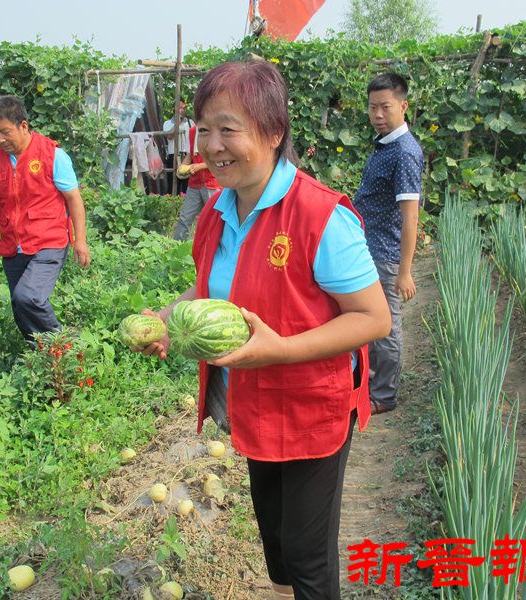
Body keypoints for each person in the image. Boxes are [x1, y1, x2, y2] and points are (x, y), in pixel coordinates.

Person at [134, 61, 391, 600]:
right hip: (255, 399)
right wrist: (167, 319)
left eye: (229, 128)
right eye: (204, 128)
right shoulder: (217, 212)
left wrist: (280, 349)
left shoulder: (321, 217)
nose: (212, 144)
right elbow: (209, 289)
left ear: (274, 133)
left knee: (307, 552)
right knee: (274, 538)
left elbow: (373, 318)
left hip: (310, 405)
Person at [0, 95, 90, 342]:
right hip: (12, 244)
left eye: (5, 132)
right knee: (21, 309)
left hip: (49, 242)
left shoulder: (52, 155)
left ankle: (63, 350)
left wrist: (80, 241)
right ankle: (41, 363)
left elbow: (73, 199)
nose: (0, 140)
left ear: (23, 125)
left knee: (29, 298)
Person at [352, 73, 424, 416]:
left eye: (385, 107)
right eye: (372, 107)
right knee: (369, 319)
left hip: (386, 254)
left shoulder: (405, 153)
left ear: (403, 106)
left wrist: (405, 271)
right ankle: (370, 385)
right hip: (369, 248)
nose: (378, 115)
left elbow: (410, 215)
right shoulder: (385, 144)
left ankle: (384, 394)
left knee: (386, 324)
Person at [171, 125, 221, 240]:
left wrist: (200, 166)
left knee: (216, 219)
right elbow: (190, 154)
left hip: (212, 182)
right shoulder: (193, 131)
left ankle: (216, 249)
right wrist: (183, 166)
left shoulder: (214, 128)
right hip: (195, 183)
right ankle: (177, 247)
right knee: (184, 218)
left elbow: (219, 158)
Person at [162, 99, 194, 194]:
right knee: (172, 182)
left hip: (187, 155)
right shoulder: (167, 123)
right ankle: (171, 204)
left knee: (186, 183)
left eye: (183, 108)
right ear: (173, 109)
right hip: (173, 155)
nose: (182, 110)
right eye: (179, 108)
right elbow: (169, 136)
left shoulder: (190, 123)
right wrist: (177, 123)